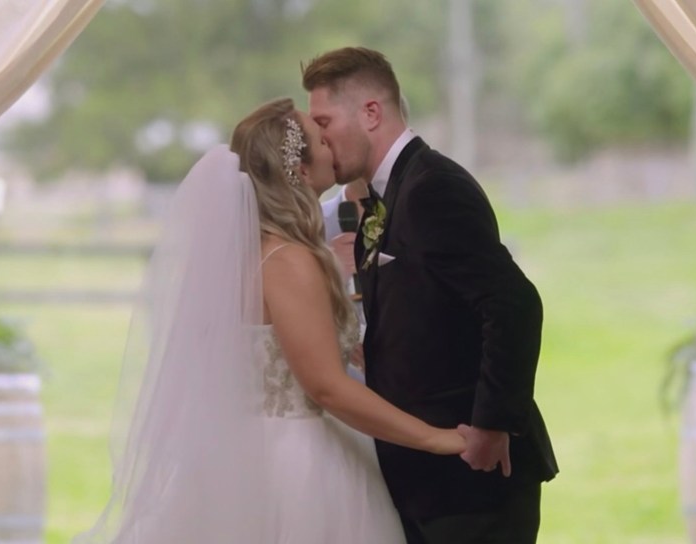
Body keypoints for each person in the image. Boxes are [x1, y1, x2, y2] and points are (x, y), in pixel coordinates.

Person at [74, 97, 466, 544]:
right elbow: (326, 387)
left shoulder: (254, 254)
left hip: (247, 456)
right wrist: (435, 439)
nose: (332, 145)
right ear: (299, 171)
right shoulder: (288, 259)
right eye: (321, 139)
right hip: (298, 467)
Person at [303, 46, 559, 544]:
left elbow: (514, 304)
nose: (320, 138)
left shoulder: (432, 188)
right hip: (427, 480)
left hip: (472, 480)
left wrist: (490, 427)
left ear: (371, 113)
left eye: (325, 121)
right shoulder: (390, 193)